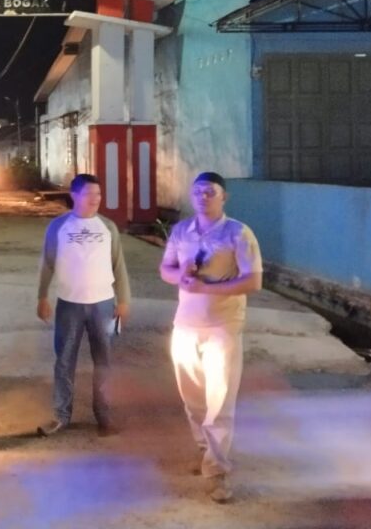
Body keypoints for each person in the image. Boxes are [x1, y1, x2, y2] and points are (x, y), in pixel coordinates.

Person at [159, 171, 263, 504]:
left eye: (210, 192)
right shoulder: (181, 231)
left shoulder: (238, 233)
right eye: (198, 192)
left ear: (223, 197)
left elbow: (253, 281)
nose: (203, 197)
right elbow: (166, 269)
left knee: (219, 401)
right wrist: (181, 275)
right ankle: (205, 451)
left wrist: (207, 288)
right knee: (192, 398)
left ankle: (217, 471)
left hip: (222, 326)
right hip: (186, 325)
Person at [36, 173, 131, 438]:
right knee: (64, 361)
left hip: (103, 306)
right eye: (89, 193)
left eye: (98, 194)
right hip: (69, 305)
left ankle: (104, 416)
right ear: (74, 195)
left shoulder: (107, 227)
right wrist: (42, 296)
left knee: (104, 362)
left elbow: (118, 265)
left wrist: (123, 299)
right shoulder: (58, 227)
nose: (95, 199)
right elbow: (47, 264)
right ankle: (61, 416)